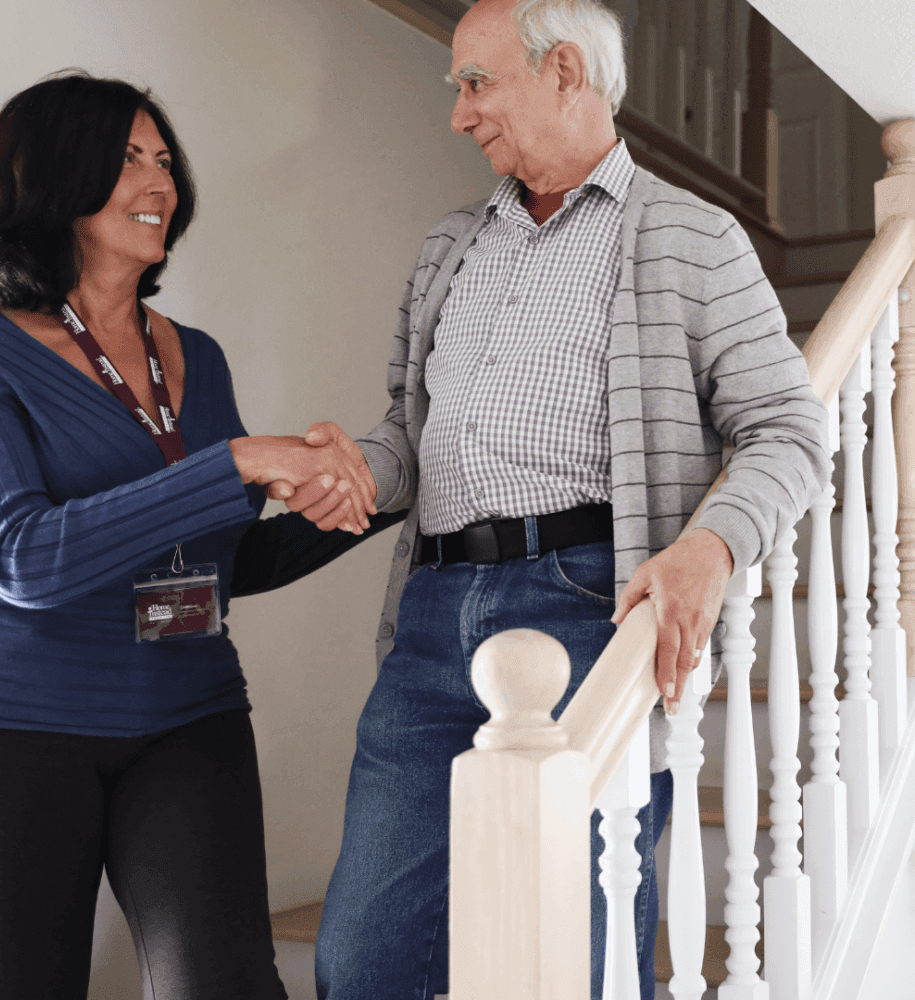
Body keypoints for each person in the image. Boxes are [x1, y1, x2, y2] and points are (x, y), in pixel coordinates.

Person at [293, 1, 831, 997]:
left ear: (565, 71)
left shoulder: (691, 238)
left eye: (475, 81)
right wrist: (358, 466)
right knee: (363, 955)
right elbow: (410, 434)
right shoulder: (451, 247)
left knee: (570, 956)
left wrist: (706, 549)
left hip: (587, 608)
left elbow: (788, 428)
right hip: (430, 623)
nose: (458, 113)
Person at [0, 72, 388, 1000]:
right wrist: (238, 463)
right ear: (53, 179)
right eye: (130, 158)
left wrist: (362, 492)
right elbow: (23, 557)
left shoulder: (196, 354)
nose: (160, 182)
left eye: (165, 160)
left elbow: (220, 558)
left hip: (186, 715)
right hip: (7, 727)